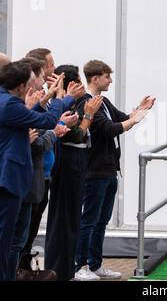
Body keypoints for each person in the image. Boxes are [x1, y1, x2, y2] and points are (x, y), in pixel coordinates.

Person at [74, 60, 155, 280]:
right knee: (89, 219)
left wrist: (140, 109)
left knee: (101, 221)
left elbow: (123, 118)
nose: (110, 80)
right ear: (95, 78)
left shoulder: (104, 101)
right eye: (107, 76)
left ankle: (96, 264)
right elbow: (109, 129)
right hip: (95, 171)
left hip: (109, 170)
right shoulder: (86, 103)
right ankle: (79, 265)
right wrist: (135, 119)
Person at [0, 61, 70, 281]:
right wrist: (59, 97)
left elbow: (24, 118)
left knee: (10, 239)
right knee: (6, 239)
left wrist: (42, 102)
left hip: (10, 178)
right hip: (8, 180)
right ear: (21, 87)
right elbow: (49, 120)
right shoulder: (9, 104)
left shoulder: (7, 101)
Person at [44, 65, 103, 281]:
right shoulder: (67, 103)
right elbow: (76, 134)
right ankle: (60, 270)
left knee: (70, 218)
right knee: (64, 219)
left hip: (74, 162)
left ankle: (65, 269)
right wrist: (89, 113)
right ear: (72, 83)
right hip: (68, 162)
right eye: (78, 80)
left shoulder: (68, 101)